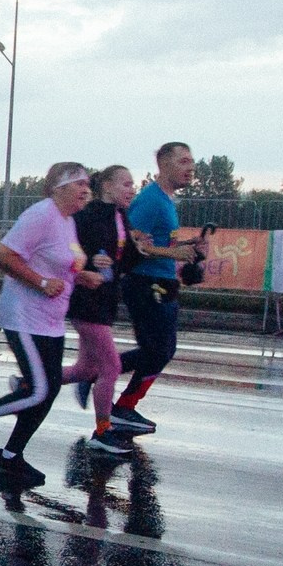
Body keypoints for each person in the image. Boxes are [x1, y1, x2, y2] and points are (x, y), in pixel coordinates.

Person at [0, 163, 99, 488]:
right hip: (23, 315)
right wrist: (42, 282)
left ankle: (10, 458)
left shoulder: (67, 221)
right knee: (40, 389)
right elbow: (4, 254)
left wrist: (80, 275)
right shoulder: (41, 215)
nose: (86, 189)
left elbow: (61, 262)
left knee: (46, 392)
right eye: (79, 184)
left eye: (88, 183)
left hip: (50, 321)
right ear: (59, 187)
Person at [109, 141, 208, 437]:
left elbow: (157, 242)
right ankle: (104, 382)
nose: (190, 168)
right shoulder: (152, 200)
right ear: (164, 164)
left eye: (192, 162)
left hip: (161, 282)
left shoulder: (166, 200)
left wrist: (187, 246)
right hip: (145, 282)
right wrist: (173, 255)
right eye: (183, 161)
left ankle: (118, 399)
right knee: (160, 349)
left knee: (160, 350)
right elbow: (131, 243)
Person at [63, 164, 144, 452]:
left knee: (85, 369)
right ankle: (102, 431)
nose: (131, 189)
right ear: (107, 187)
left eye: (132, 184)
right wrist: (87, 262)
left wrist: (136, 251)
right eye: (126, 184)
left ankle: (28, 384)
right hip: (87, 300)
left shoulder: (122, 216)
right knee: (111, 366)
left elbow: (127, 259)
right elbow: (68, 251)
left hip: (106, 298)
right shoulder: (89, 214)